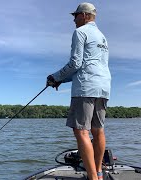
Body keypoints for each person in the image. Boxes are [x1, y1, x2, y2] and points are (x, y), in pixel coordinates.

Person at [46, 2, 111, 180]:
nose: (73, 20)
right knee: (98, 130)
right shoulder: (102, 37)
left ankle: (92, 177)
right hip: (103, 87)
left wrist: (55, 77)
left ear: (83, 15)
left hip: (85, 88)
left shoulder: (80, 32)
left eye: (75, 16)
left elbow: (76, 63)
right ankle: (98, 172)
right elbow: (89, 66)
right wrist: (61, 79)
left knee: (81, 131)